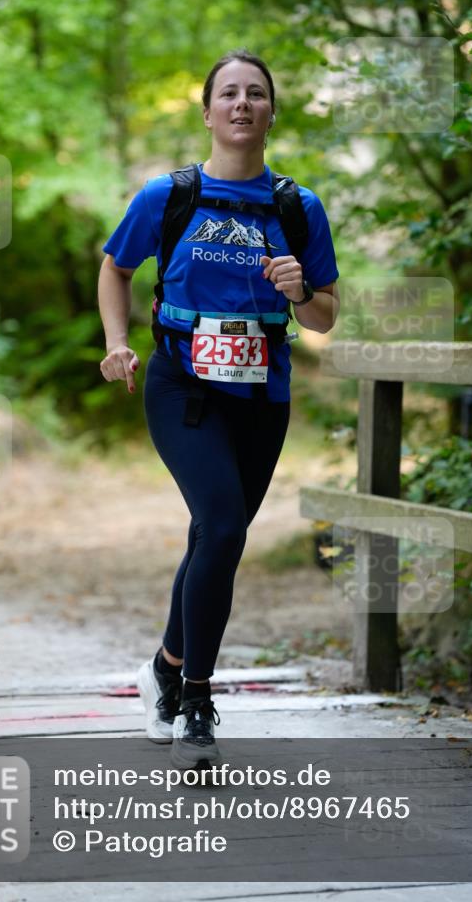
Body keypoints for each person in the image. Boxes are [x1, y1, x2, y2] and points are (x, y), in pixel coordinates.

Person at [98, 49, 340, 770]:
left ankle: (165, 668)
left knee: (215, 535)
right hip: (183, 384)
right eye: (228, 94)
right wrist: (115, 343)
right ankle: (195, 697)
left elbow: (325, 315)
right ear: (207, 113)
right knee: (224, 523)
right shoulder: (167, 197)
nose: (241, 104)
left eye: (255, 94)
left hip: (262, 391)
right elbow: (115, 268)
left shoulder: (297, 208)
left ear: (269, 113)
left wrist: (300, 291)